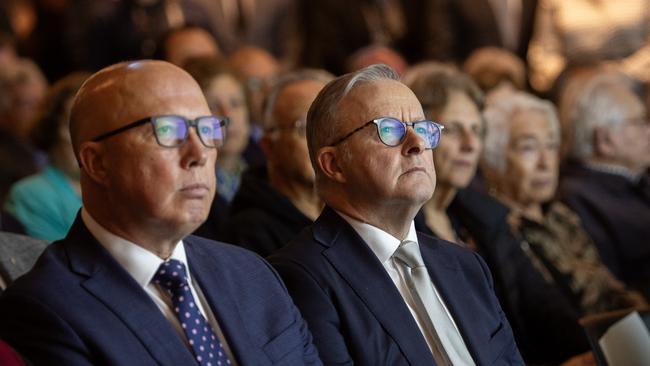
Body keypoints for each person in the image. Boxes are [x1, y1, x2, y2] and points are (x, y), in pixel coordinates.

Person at [0, 60, 321, 365]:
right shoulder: (45, 307)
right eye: (168, 131)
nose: (199, 154)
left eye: (207, 129)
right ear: (97, 163)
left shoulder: (252, 272)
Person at [269, 64, 523, 365]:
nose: (417, 144)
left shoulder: (466, 266)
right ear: (334, 164)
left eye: (424, 129)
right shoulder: (299, 277)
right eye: (389, 130)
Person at [408, 64, 593, 364]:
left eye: (477, 131)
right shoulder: (404, 230)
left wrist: (594, 350)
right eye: (453, 130)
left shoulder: (484, 218)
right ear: (418, 135)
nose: (470, 145)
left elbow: (541, 304)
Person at [481, 90, 646, 316]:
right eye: (528, 148)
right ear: (495, 158)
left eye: (551, 146)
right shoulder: (499, 233)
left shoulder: (561, 214)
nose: (545, 162)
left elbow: (608, 289)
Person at [559, 72, 650, 299]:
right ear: (605, 140)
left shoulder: (634, 179)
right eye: (638, 122)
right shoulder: (577, 198)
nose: (648, 131)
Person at [222, 69, 332, 257]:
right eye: (305, 127)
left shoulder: (350, 211)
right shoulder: (248, 234)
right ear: (269, 146)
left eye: (331, 125)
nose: (324, 141)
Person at [4, 72, 88, 241]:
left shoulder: (119, 186)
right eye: (69, 125)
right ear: (51, 130)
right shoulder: (29, 194)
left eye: (90, 125)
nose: (73, 138)